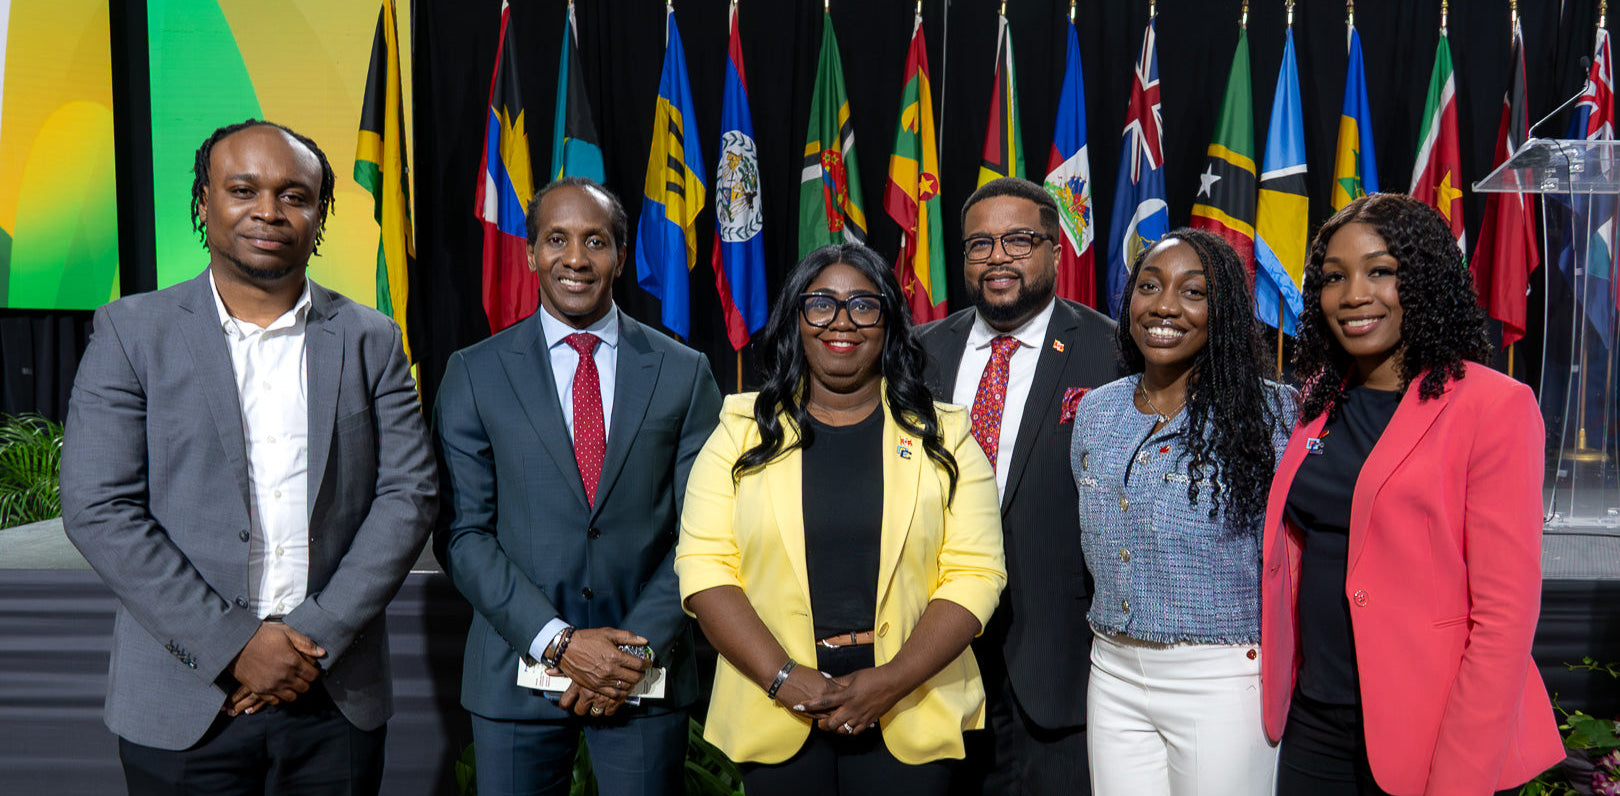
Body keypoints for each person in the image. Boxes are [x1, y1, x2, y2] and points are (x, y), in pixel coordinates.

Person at [59, 119, 438, 794]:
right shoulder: (131, 332)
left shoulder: (370, 339)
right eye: (243, 189)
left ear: (320, 215)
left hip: (332, 694)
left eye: (295, 195)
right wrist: (236, 645)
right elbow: (99, 506)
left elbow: (408, 496)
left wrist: (309, 641)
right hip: (182, 701)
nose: (269, 210)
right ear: (204, 203)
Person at [676, 243, 1006, 795]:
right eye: (821, 304)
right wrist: (783, 678)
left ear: (889, 322)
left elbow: (977, 573)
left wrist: (888, 682)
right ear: (796, 319)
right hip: (776, 704)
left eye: (863, 305)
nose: (842, 322)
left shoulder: (946, 435)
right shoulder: (738, 433)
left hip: (912, 703)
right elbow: (705, 568)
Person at [1262, 193, 1564, 795]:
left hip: (1430, 733)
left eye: (1381, 271)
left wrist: (1460, 778)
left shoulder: (1494, 406)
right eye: (1334, 277)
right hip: (1313, 722)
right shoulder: (1318, 400)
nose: (1353, 295)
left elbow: (1504, 620)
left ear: (1424, 281)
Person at [433, 177, 722, 796]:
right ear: (531, 252)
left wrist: (631, 656)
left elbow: (704, 533)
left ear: (620, 255)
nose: (576, 258)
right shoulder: (474, 373)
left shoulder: (684, 372)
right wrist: (558, 642)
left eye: (596, 241)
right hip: (515, 670)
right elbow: (463, 534)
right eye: (557, 239)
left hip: (644, 677)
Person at [1070, 228, 1295, 794]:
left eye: (1193, 292)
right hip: (1113, 671)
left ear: (1223, 312)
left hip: (1220, 678)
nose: (1165, 306)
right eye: (1150, 286)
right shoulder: (1098, 410)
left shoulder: (1273, 416)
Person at [916, 177, 1116, 794]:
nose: (997, 256)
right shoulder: (917, 353)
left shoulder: (1111, 352)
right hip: (931, 660)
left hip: (1057, 663)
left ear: (1057, 250)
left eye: (1019, 240)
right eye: (980, 244)